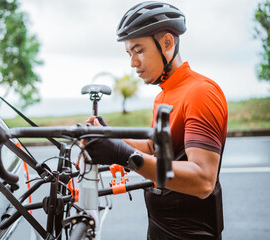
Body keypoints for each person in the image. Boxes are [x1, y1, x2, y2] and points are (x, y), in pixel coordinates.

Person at [84, 1, 228, 240]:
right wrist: (111, 137)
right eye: (129, 54)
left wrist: (125, 156)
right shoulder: (164, 95)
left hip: (190, 234)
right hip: (161, 227)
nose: (132, 63)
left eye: (139, 50)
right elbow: (155, 148)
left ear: (167, 43)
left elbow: (203, 180)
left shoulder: (201, 92)